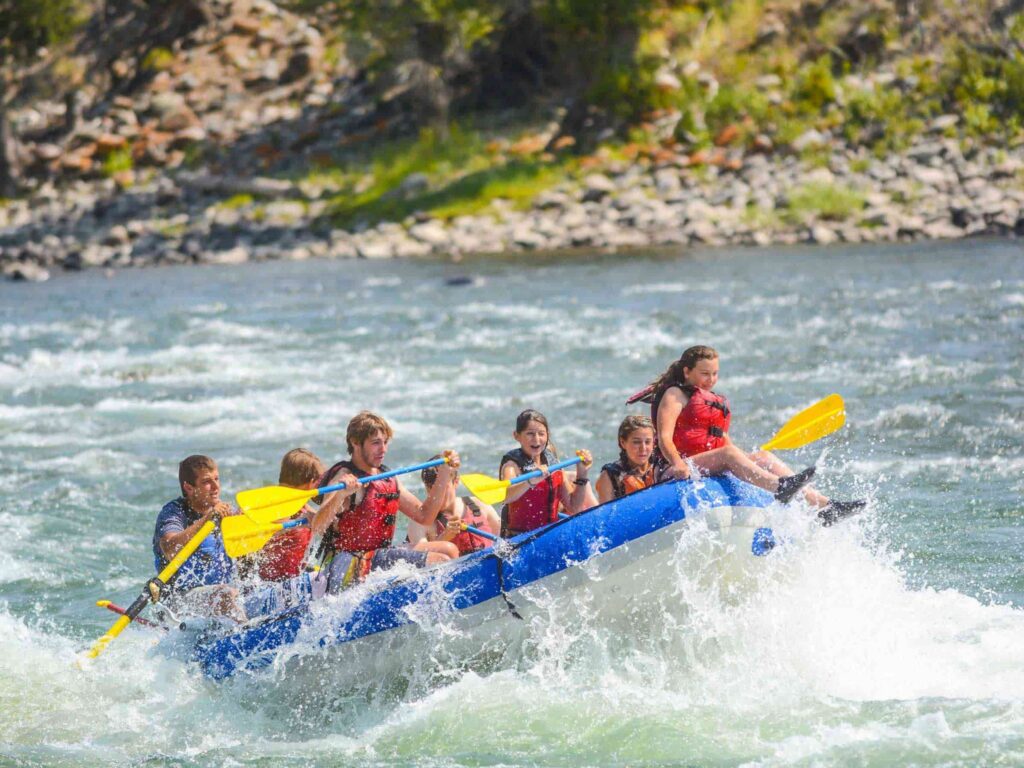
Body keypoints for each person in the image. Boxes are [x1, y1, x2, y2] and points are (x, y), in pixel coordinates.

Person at [637, 345, 863, 523]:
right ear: (687, 371)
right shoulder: (675, 394)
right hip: (672, 468)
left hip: (705, 462)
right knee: (729, 455)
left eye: (715, 373)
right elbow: (665, 437)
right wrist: (677, 463)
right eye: (704, 373)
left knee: (763, 456)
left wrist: (748, 459)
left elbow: (725, 442)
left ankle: (824, 506)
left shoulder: (710, 402)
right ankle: (780, 488)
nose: (711, 379)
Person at [312, 411, 460, 593]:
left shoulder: (387, 478)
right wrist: (341, 495)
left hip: (378, 556)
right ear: (355, 443)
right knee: (442, 560)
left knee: (450, 550)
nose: (383, 449)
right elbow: (318, 526)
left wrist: (445, 472)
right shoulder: (344, 476)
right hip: (349, 563)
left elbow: (425, 516)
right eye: (376, 443)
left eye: (385, 442)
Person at [152, 454, 245, 620]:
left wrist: (246, 522)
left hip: (217, 596)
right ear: (189, 488)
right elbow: (170, 549)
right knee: (224, 594)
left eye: (217, 479)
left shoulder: (225, 513)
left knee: (248, 590)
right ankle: (246, 631)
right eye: (207, 482)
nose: (216, 486)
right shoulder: (174, 512)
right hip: (177, 602)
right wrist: (206, 520)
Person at [498, 409, 596, 536]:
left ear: (547, 435)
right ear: (517, 436)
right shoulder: (511, 465)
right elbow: (506, 496)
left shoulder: (554, 464)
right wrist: (529, 481)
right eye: (530, 434)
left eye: (541, 434)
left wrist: (582, 473)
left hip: (550, 535)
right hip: (519, 539)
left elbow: (574, 507)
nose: (536, 439)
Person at [239, 448, 324, 582]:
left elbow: (327, 523)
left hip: (293, 578)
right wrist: (295, 525)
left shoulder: (301, 507)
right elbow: (254, 537)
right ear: (311, 483)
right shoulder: (277, 507)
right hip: (268, 585)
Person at [407, 456, 501, 557]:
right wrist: (444, 537)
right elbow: (420, 559)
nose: (435, 496)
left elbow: (504, 539)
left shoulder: (479, 505)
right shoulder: (420, 522)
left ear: (456, 482)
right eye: (430, 489)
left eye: (442, 489)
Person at [596, 415, 658, 504]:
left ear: (654, 443)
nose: (643, 448)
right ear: (623, 443)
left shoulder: (661, 467)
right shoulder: (610, 476)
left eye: (648, 442)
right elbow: (605, 516)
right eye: (636, 442)